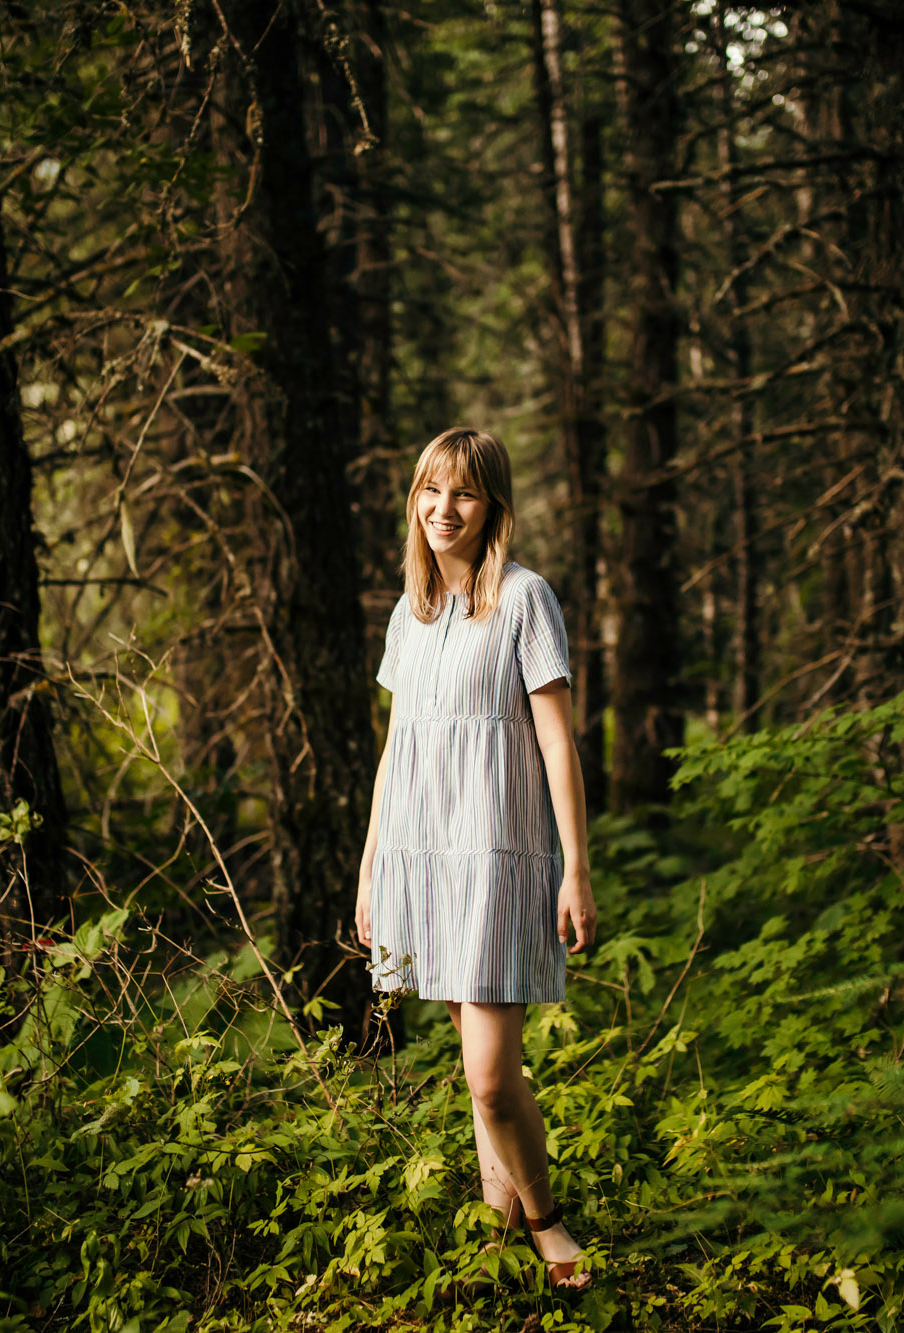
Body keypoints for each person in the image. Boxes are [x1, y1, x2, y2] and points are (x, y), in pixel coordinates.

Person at [355, 426, 599, 1291]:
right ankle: (495, 1226)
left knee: (492, 1078)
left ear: (492, 504)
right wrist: (371, 865)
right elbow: (397, 748)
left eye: (461, 493)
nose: (442, 509)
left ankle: (544, 1220)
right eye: (429, 491)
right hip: (424, 857)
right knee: (474, 1064)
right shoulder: (410, 614)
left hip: (498, 857)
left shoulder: (527, 599)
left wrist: (576, 866)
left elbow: (557, 743)